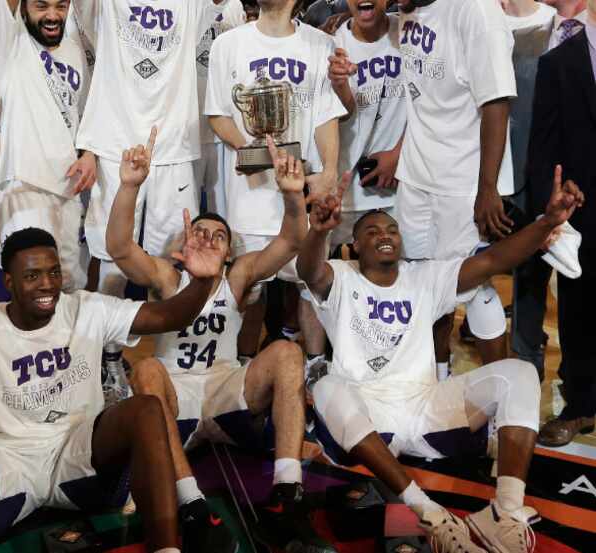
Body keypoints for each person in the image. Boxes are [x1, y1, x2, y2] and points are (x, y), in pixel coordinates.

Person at [0, 203, 227, 553]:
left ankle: (166, 549)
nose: (47, 285)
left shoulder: (84, 307)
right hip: (9, 461)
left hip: (78, 452)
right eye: (32, 276)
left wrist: (203, 281)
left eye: (54, 273)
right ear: (8, 282)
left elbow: (166, 317)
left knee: (144, 409)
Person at [299, 166, 584, 553]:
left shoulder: (424, 277)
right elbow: (309, 271)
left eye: (392, 230)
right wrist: (318, 232)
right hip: (363, 416)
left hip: (423, 409)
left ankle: (505, 512)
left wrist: (547, 223)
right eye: (373, 232)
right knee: (327, 383)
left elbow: (494, 260)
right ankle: (428, 511)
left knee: (519, 373)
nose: (385, 236)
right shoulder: (341, 276)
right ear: (355, 244)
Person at [110, 134, 332, 552]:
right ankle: (192, 506)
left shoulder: (239, 275)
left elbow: (289, 242)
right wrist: (129, 187)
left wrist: (291, 196)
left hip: (227, 392)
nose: (209, 239)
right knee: (147, 369)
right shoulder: (167, 277)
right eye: (201, 231)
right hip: (174, 399)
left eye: (219, 236)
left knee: (287, 352)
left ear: (230, 252)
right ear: (184, 240)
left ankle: (288, 494)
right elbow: (119, 247)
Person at [70, 0, 229, 394]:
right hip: (113, 141)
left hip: (172, 146)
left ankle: (168, 361)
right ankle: (106, 360)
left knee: (171, 261)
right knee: (110, 263)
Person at [205, 0, 346, 374]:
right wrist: (251, 150)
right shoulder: (228, 44)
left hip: (302, 192)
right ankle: (241, 370)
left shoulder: (321, 45)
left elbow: (325, 115)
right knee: (250, 288)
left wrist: (330, 170)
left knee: (310, 287)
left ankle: (315, 369)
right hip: (250, 192)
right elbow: (218, 113)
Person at [390, 0, 517, 377]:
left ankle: (500, 395)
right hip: (416, 174)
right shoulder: (409, 8)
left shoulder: (477, 12)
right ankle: (438, 381)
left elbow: (496, 103)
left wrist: (488, 188)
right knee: (423, 287)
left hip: (463, 182)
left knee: (473, 288)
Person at [0, 0, 95, 296]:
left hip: (69, 189)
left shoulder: (74, 50)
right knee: (26, 289)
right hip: (24, 186)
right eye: (41, 6)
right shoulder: (9, 42)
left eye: (60, 5)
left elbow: (83, 117)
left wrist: (90, 153)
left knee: (69, 286)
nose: (53, 15)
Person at [529, 0, 596, 447]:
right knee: (580, 305)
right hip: (584, 208)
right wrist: (550, 203)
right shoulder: (558, 61)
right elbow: (544, 143)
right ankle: (582, 405)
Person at [501, 0, 557, 378]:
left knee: (532, 268)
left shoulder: (554, 24)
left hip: (533, 166)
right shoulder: (476, 15)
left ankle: (526, 357)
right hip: (473, 163)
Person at [327, 0, 405, 256]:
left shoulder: (409, 32)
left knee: (405, 276)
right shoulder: (332, 44)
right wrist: (340, 86)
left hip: (403, 185)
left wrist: (398, 154)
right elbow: (342, 115)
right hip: (348, 190)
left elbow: (428, 103)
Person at [194, 0, 246, 218]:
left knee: (225, 216)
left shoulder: (233, 5)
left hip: (223, 131)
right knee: (183, 217)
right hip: (187, 131)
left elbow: (240, 59)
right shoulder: (180, 5)